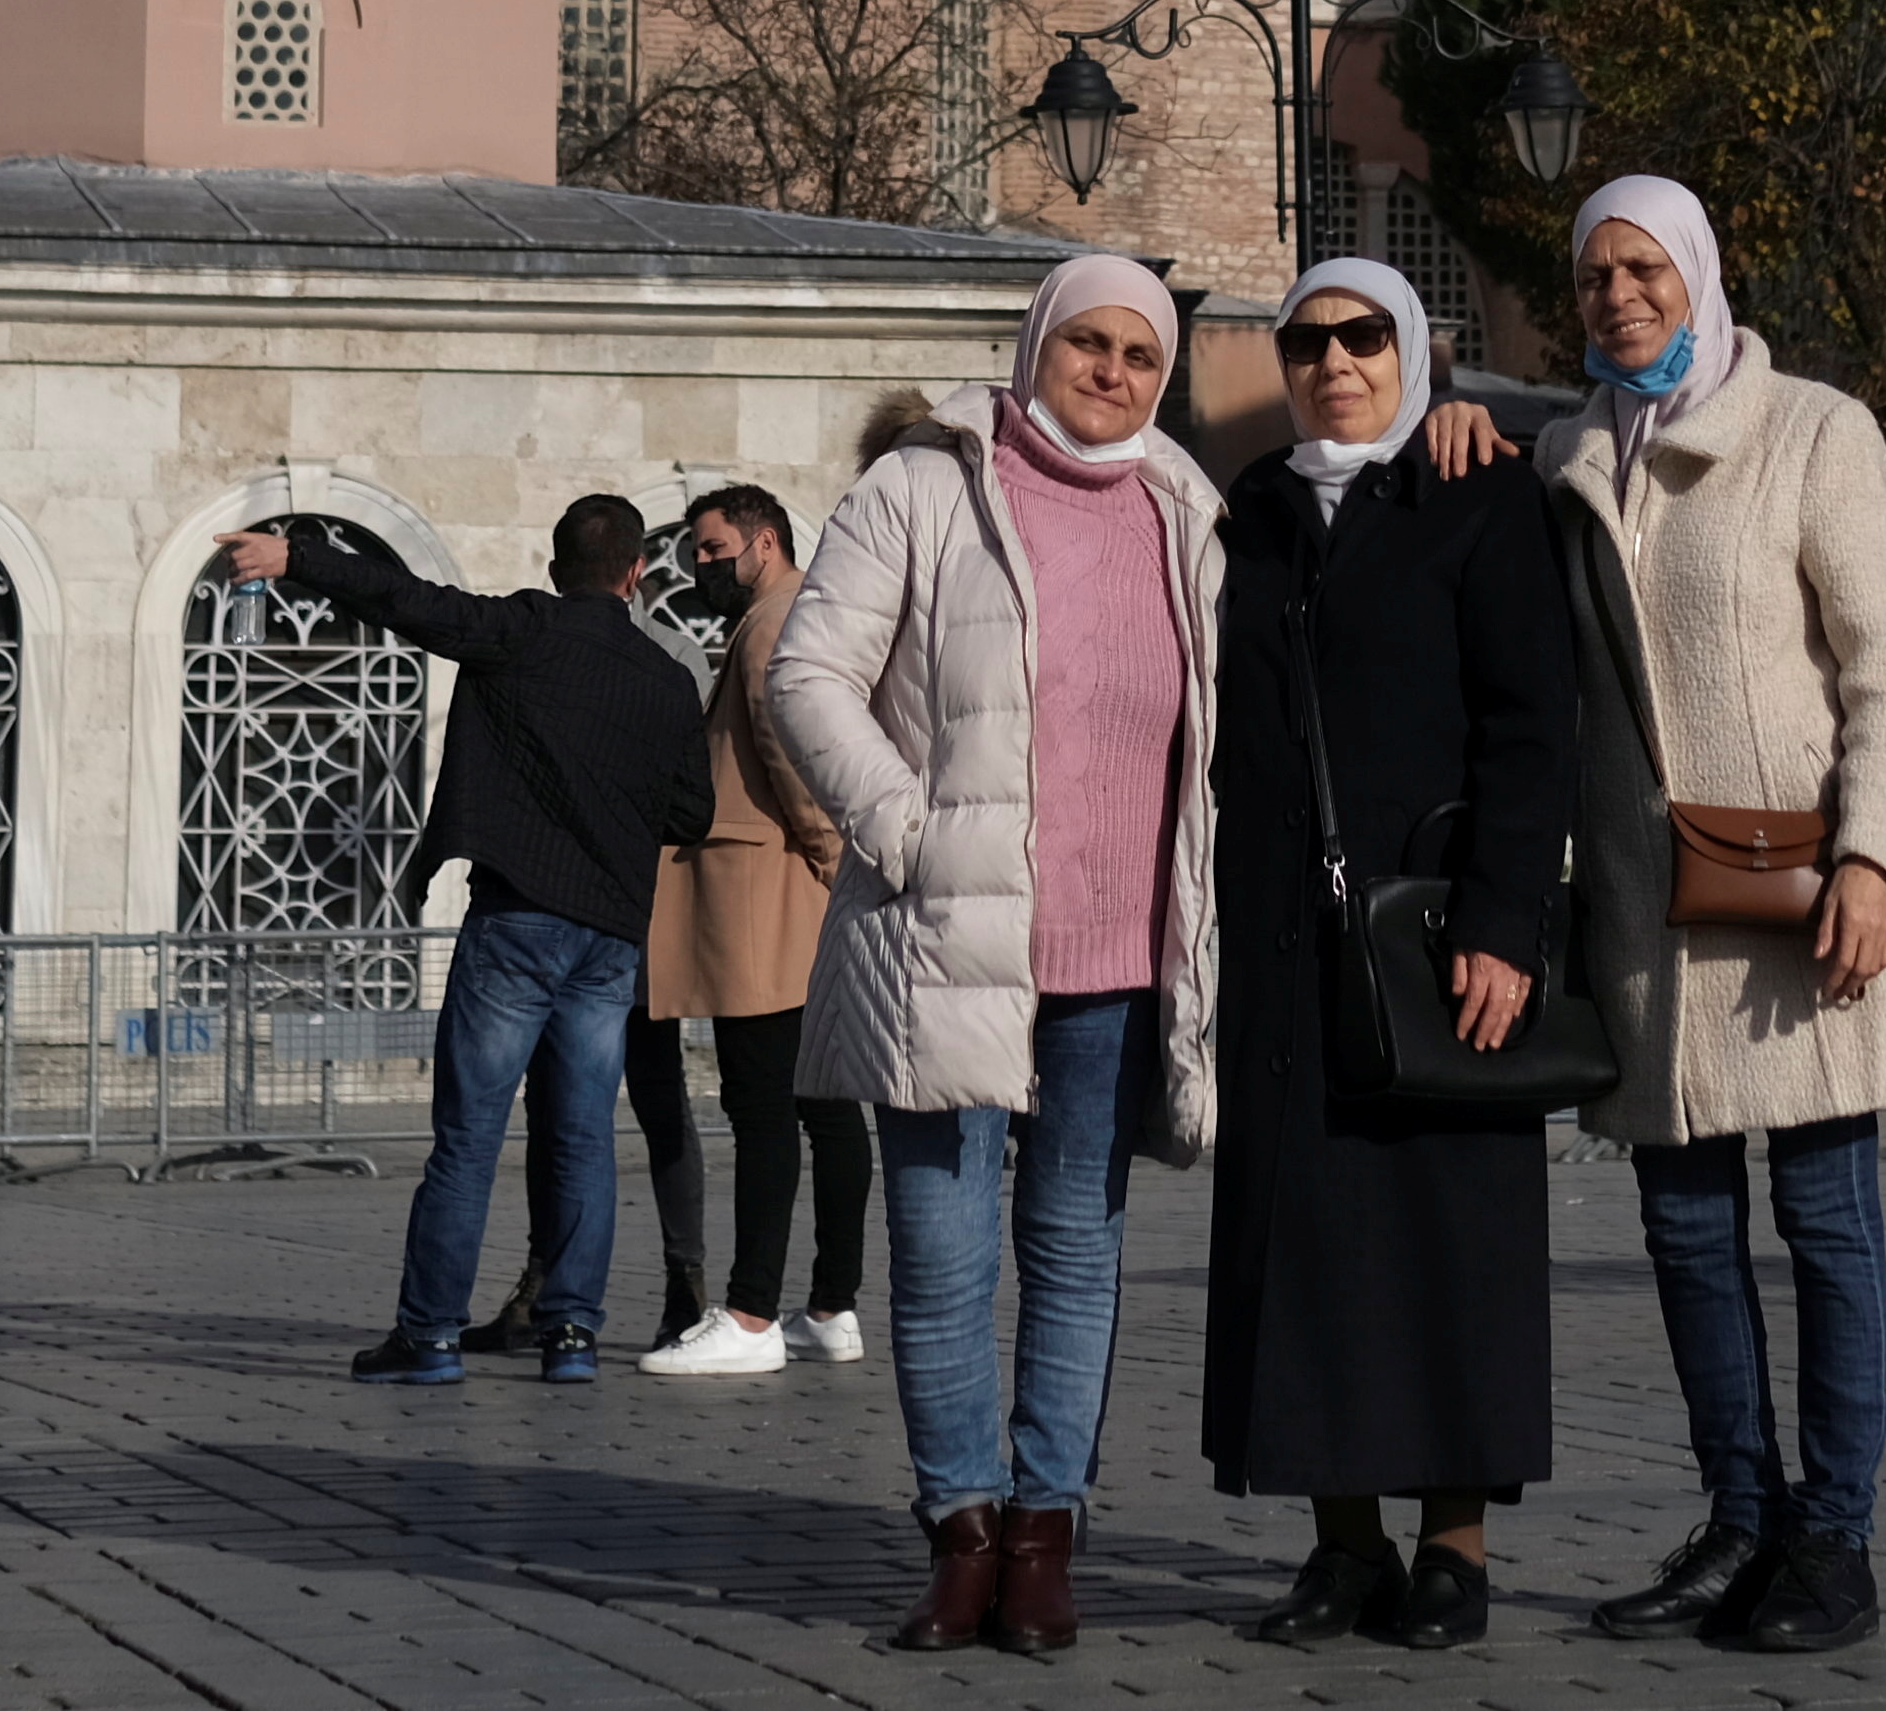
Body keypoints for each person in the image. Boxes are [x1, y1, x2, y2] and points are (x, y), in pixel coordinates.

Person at [769, 255, 1223, 1661]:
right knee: (944, 1248)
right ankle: (958, 1535)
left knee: (1075, 1249)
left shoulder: (1184, 507)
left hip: (1115, 954)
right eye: (1085, 342)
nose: (1109, 372)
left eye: (1137, 354)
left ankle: (1044, 1541)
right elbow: (806, 674)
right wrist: (905, 832)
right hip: (945, 934)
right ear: (1035, 346)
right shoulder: (926, 484)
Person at [1541, 177, 1886, 1661]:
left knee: (1824, 1221)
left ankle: (1833, 1538)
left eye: (1644, 268)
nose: (1619, 295)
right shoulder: (1564, 449)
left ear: (1699, 273)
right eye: (1593, 275)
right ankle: (1737, 1516)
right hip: (1647, 912)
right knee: (1684, 1231)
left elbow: (1885, 662)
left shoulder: (1814, 431)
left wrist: (1874, 860)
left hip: (1796, 898)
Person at [1202, 255, 1579, 1651]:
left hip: (1431, 938)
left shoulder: (1473, 493)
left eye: (1367, 338)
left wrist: (1501, 923)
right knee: (1303, 1244)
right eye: (1309, 343)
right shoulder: (1246, 512)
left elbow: (1530, 724)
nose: (1337, 364)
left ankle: (1455, 1551)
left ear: (1411, 350)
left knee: (1445, 1239)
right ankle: (1342, 1542)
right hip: (1284, 942)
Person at [224, 496, 711, 1389]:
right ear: (637, 573)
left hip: (517, 923)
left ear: (557, 564)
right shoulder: (667, 679)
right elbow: (693, 812)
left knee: (469, 1138)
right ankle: (572, 1335)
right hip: (609, 941)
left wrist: (296, 558)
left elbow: (408, 599)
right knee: (584, 1138)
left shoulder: (523, 628)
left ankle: (431, 1335)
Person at [632, 483, 874, 1376]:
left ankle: (749, 1313)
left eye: (713, 546)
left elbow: (792, 752)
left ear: (764, 541)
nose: (701, 563)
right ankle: (831, 1305)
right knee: (826, 1109)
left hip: (766, 895)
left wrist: (822, 852)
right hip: (790, 896)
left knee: (763, 1108)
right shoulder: (795, 613)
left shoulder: (771, 624)